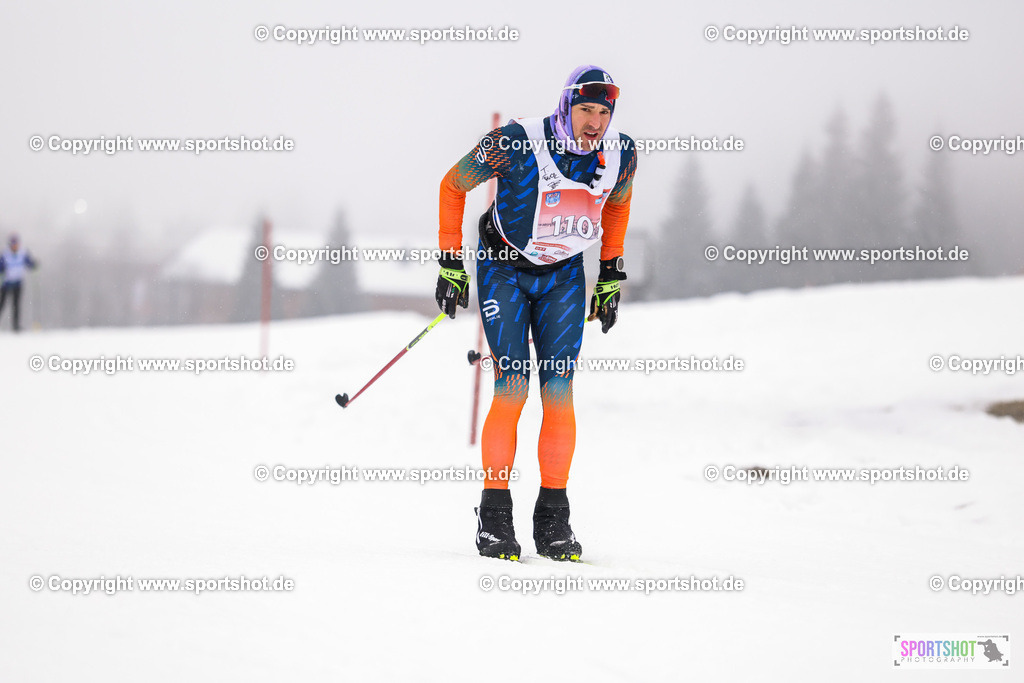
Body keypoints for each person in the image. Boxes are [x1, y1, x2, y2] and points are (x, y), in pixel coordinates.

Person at [436, 65, 637, 561]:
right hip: (504, 270)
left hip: (563, 276)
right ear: (566, 105)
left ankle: (553, 520)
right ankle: (494, 517)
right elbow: (452, 185)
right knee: (513, 386)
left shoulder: (621, 154)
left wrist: (610, 272)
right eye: (585, 109)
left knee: (559, 390)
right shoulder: (515, 142)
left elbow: (617, 204)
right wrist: (450, 263)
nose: (594, 122)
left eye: (604, 112)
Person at [0, 234, 38, 332]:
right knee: (2, 304)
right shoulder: (5, 254)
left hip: (18, 283)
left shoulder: (23, 253)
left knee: (16, 305)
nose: (14, 246)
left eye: (16, 244)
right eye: (13, 244)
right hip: (6, 283)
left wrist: (34, 264)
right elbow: (1, 266)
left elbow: (29, 263)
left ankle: (15, 326)